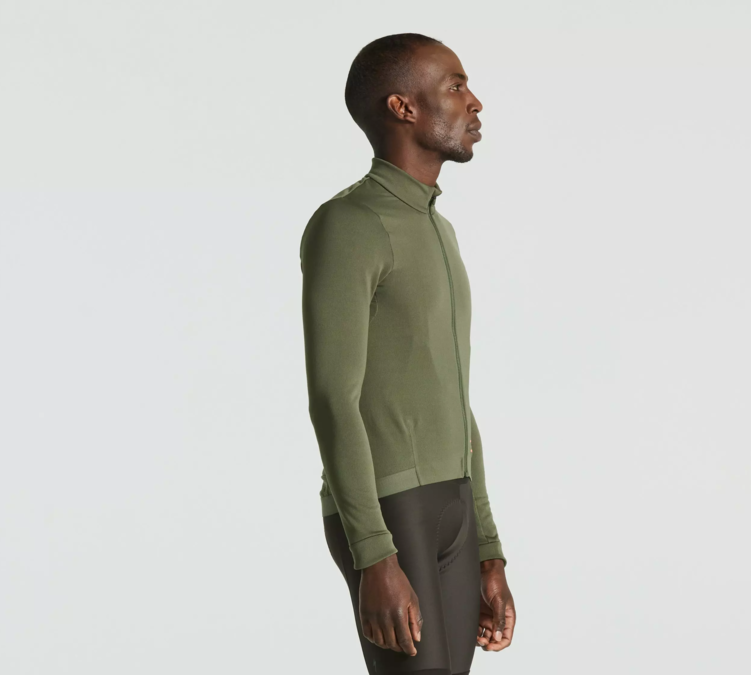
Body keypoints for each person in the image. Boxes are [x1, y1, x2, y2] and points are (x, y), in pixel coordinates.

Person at [299, 33, 516, 675]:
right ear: (403, 107)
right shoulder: (349, 224)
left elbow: (454, 394)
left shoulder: (438, 229)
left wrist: (488, 546)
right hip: (390, 510)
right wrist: (373, 551)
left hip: (454, 504)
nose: (474, 102)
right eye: (455, 85)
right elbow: (333, 399)